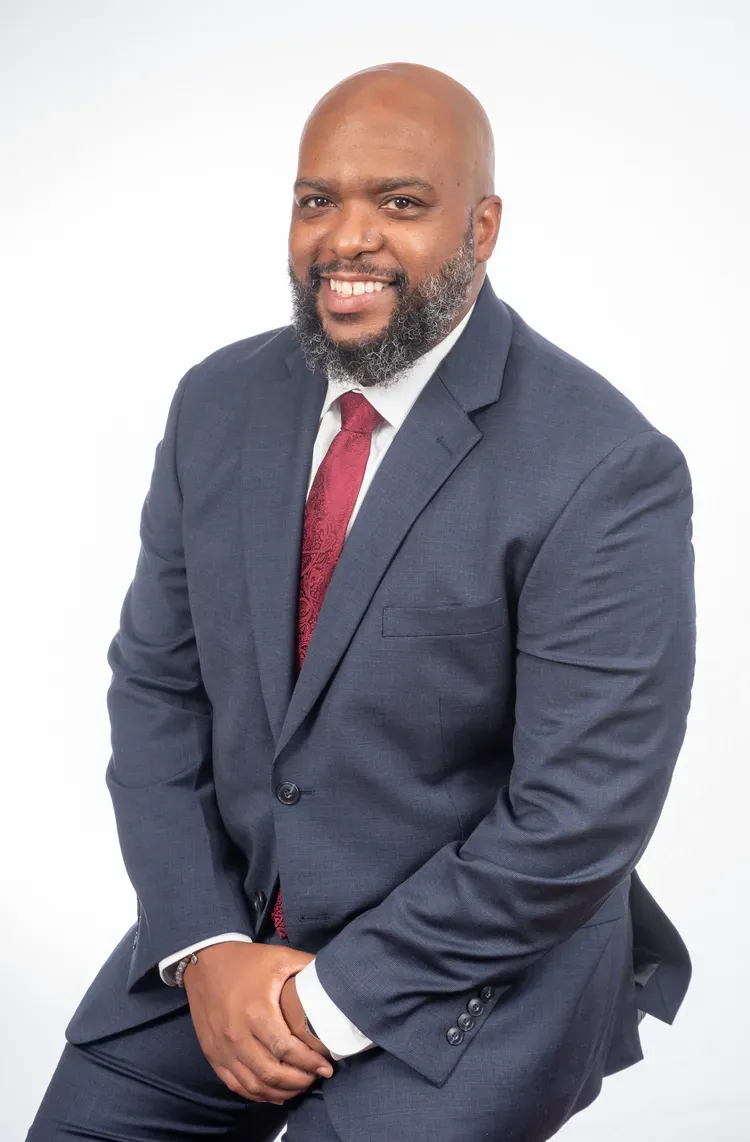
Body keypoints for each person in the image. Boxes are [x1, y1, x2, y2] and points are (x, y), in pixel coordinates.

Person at [26, 61, 696, 1142]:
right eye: (316, 198)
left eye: (401, 202)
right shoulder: (217, 403)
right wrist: (205, 947)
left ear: (483, 226)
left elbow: (578, 819)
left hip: (476, 982)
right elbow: (156, 688)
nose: (347, 239)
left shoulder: (603, 465)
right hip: (233, 943)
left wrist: (316, 1004)